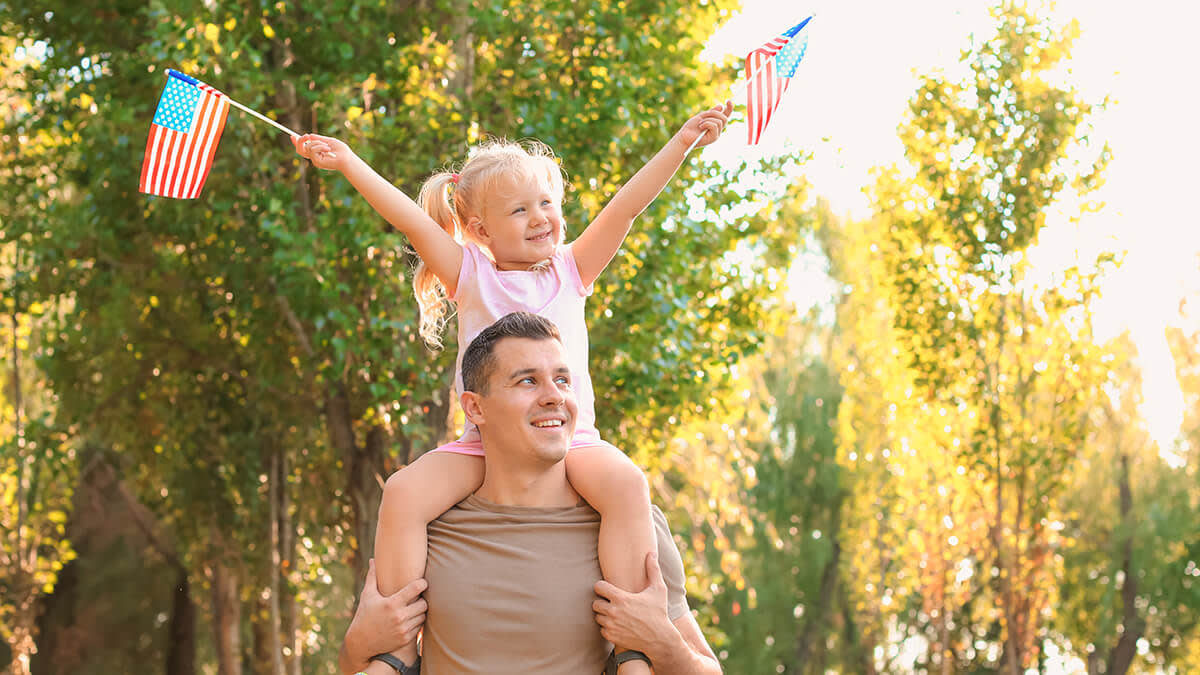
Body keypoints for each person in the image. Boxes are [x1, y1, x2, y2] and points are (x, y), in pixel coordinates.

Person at [295, 101, 732, 673]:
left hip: (572, 441)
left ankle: (633, 653)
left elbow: (626, 208)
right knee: (402, 490)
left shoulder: (572, 271)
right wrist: (350, 163)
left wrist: (680, 143)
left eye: (548, 204)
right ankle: (393, 649)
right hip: (485, 444)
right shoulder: (469, 274)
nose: (541, 218)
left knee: (626, 483)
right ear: (479, 229)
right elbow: (410, 219)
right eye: (520, 210)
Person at [337, 312, 721, 673]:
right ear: (475, 409)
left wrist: (664, 643)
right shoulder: (429, 523)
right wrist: (355, 646)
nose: (554, 396)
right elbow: (383, 662)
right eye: (528, 380)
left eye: (563, 380)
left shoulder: (627, 520)